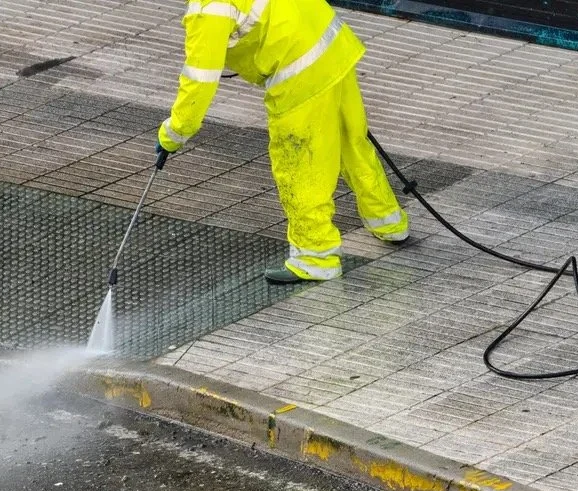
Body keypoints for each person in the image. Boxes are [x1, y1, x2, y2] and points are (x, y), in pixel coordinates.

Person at [157, 0, 409, 283]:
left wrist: (174, 133)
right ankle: (388, 221)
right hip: (332, 43)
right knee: (351, 142)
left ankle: (315, 257)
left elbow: (199, 82)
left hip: (299, 70)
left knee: (300, 165)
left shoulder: (209, 9)